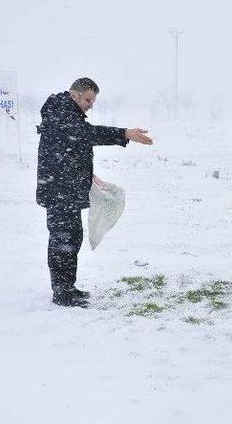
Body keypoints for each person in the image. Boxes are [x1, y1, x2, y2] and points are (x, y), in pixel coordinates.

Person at [36, 78, 153, 307]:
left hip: (64, 188)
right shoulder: (62, 113)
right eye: (88, 99)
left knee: (71, 239)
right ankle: (62, 292)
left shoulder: (64, 112)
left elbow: (70, 149)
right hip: (59, 191)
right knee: (63, 241)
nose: (91, 104)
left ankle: (67, 287)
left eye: (93, 100)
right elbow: (87, 135)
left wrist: (84, 174)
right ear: (74, 94)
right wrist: (125, 133)